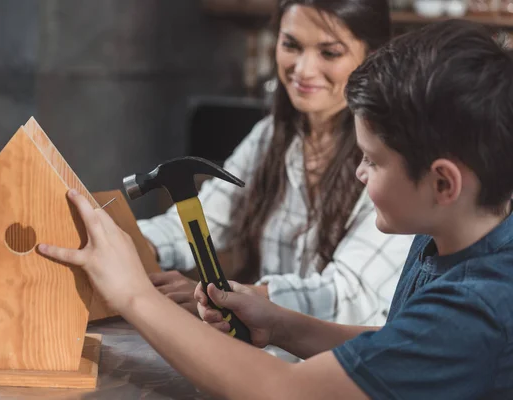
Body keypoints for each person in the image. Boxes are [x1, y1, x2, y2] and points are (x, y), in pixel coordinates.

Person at [39, 20, 513, 398]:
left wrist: (131, 295)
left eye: (372, 160)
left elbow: (283, 390)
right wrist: (283, 325)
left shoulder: (478, 308)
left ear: (443, 182)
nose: (359, 173)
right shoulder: (446, 235)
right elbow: (392, 352)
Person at [138, 0, 414, 327]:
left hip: (345, 370)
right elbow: (205, 219)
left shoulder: (392, 156)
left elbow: (346, 296)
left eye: (330, 53)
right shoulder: (271, 136)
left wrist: (235, 296)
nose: (303, 69)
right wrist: (126, 241)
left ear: (372, 54)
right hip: (269, 357)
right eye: (291, 45)